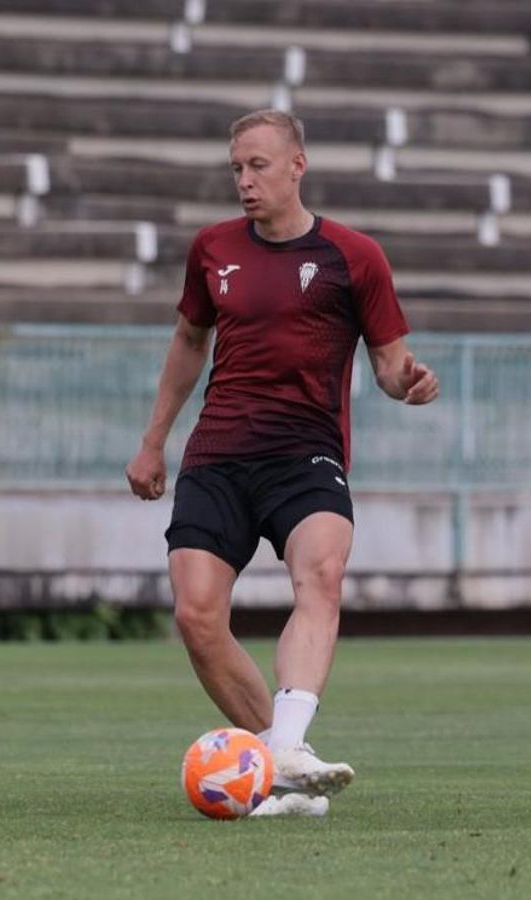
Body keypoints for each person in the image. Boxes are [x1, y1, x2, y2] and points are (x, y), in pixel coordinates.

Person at [125, 109, 440, 816]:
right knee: (195, 614)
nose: (244, 181)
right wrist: (154, 441)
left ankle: (287, 747)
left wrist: (409, 382)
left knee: (321, 574)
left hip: (307, 452)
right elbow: (186, 339)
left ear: (297, 166)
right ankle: (278, 771)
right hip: (219, 452)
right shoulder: (212, 249)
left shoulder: (354, 257)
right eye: (236, 168)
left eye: (257, 166)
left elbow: (389, 366)